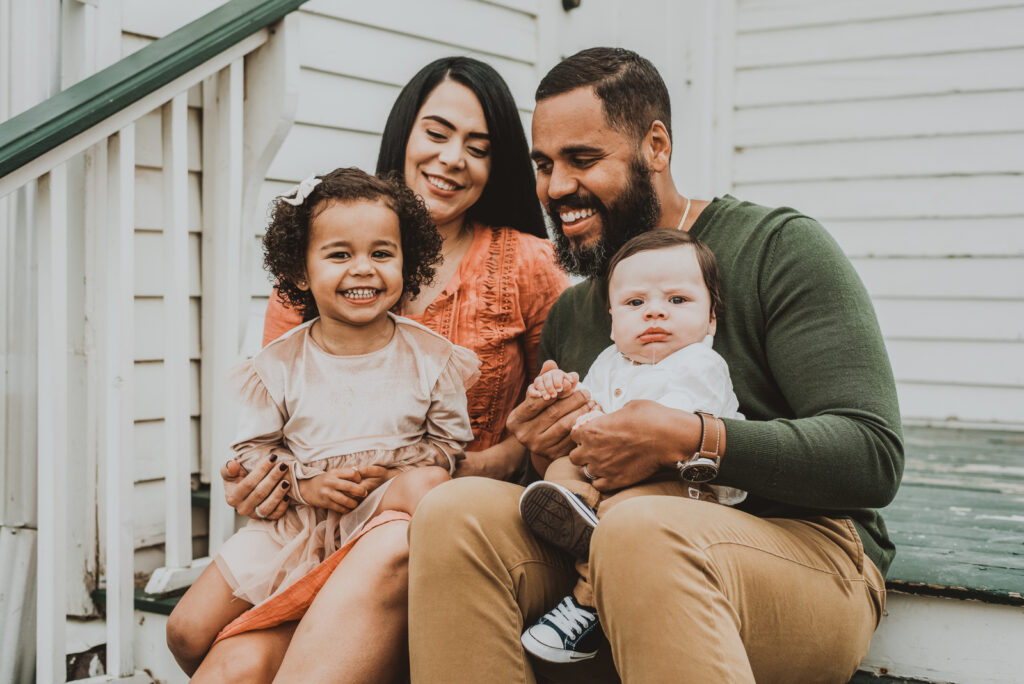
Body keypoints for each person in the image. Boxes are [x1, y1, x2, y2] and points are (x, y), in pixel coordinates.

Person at [407, 47, 903, 683]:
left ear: (657, 147)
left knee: (641, 528)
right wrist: (544, 447)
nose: (557, 188)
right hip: (611, 546)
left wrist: (687, 437)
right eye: (543, 165)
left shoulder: (777, 247)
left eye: (582, 160)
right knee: (454, 514)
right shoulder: (577, 309)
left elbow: (871, 455)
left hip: (807, 549)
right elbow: (582, 480)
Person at [207, 57, 568, 682]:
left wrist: (488, 460)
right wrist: (264, 481)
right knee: (221, 661)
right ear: (404, 134)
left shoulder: (531, 265)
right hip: (318, 533)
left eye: (478, 147)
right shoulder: (317, 266)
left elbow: (555, 417)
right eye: (437, 133)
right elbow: (267, 440)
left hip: (446, 535)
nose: (453, 158)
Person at [167, 168, 479, 678]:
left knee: (431, 485)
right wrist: (306, 483)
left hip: (379, 511)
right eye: (339, 254)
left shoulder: (433, 357)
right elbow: (252, 451)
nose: (363, 270)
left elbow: (449, 442)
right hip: (298, 521)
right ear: (299, 271)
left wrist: (397, 474)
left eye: (382, 253)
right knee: (185, 628)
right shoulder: (279, 364)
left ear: (409, 261)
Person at [518, 229, 746, 664]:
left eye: (677, 301)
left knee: (631, 515)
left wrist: (602, 427)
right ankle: (577, 513)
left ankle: (586, 606)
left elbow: (673, 426)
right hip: (606, 475)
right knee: (561, 468)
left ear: (711, 319)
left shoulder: (701, 363)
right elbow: (584, 407)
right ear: (612, 320)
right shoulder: (610, 361)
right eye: (635, 303)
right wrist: (557, 392)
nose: (655, 313)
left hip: (679, 486)